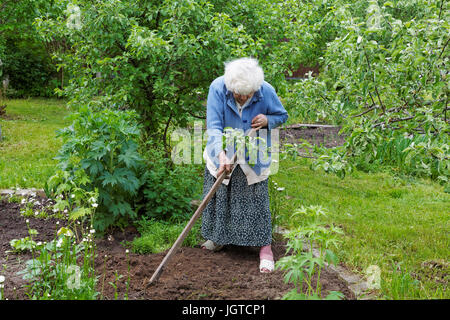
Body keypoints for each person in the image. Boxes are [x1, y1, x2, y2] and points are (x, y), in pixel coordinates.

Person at [201, 57, 288, 273]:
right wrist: (221, 155)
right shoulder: (217, 88)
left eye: (247, 94)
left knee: (257, 202)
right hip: (224, 153)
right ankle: (219, 238)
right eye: (238, 94)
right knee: (222, 197)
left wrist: (268, 120)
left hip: (254, 155)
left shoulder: (265, 90)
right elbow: (213, 127)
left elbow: (282, 115)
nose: (242, 97)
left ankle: (265, 248)